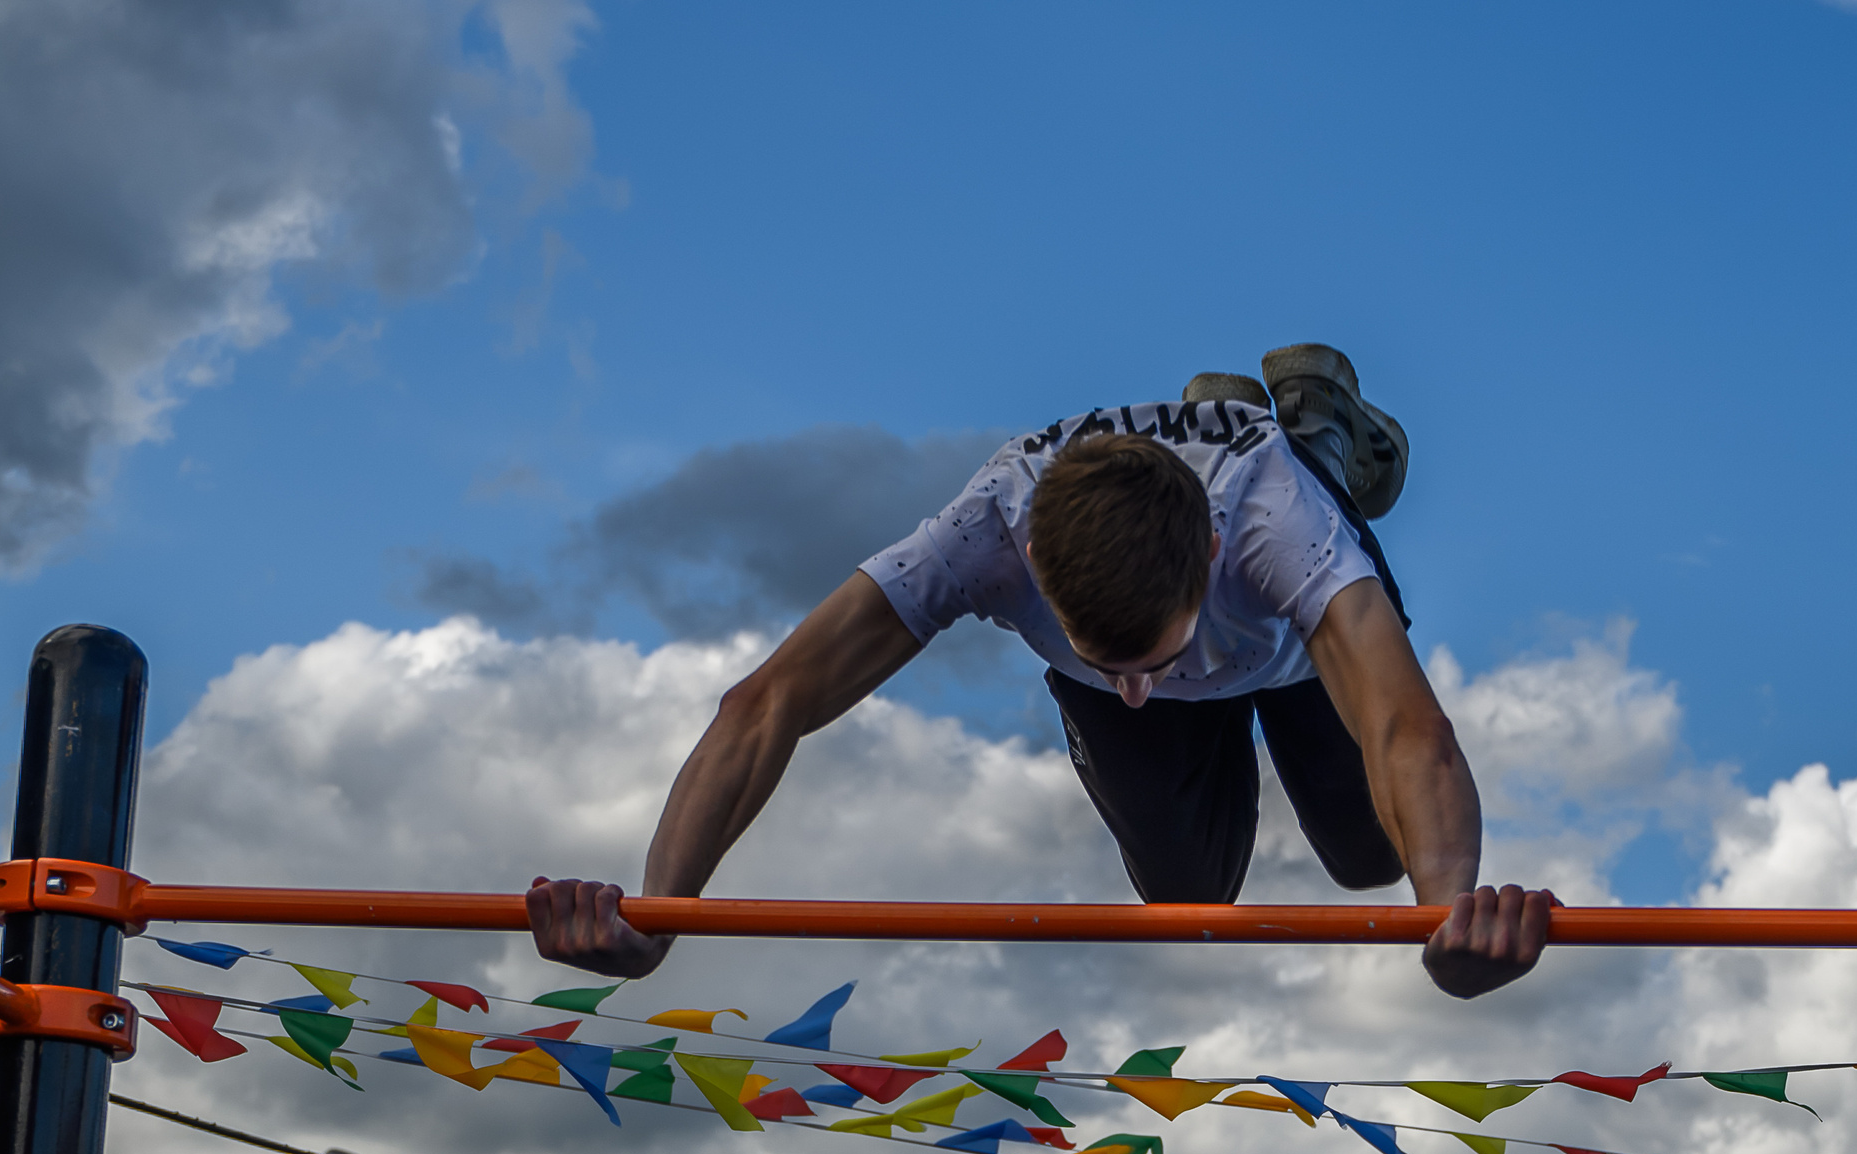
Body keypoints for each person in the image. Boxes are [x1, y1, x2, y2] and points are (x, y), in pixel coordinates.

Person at [529, 343, 1554, 999]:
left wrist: (1449, 915)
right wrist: (662, 916)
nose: (1144, 692)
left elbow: (1404, 728)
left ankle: (1311, 417)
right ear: (1026, 572)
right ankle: (1209, 444)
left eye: (1148, 659)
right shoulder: (982, 530)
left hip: (1286, 653)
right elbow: (767, 701)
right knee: (1187, 897)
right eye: (1118, 666)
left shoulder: (1273, 523)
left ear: (1206, 554)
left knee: (1376, 865)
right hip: (1156, 602)